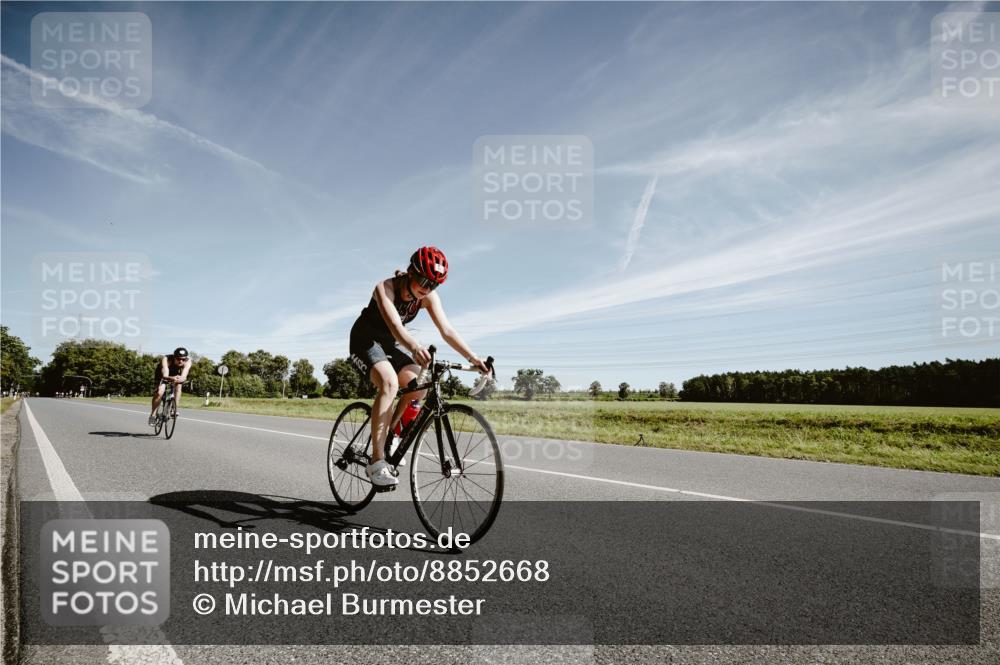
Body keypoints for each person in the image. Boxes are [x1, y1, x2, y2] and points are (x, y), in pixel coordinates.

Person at [349, 246, 488, 489]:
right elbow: (394, 325)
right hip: (365, 340)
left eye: (434, 284)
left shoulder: (427, 298)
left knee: (417, 387)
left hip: (390, 345)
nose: (427, 287)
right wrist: (414, 346)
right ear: (411, 272)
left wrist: (473, 358)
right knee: (390, 383)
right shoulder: (386, 288)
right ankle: (376, 460)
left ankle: (391, 434)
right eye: (424, 280)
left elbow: (447, 330)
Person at [149, 347, 191, 425]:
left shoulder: (188, 362)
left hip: (175, 375)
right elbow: (165, 374)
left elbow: (184, 374)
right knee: (159, 392)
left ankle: (174, 409)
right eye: (178, 359)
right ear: (174, 357)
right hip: (162, 375)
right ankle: (153, 415)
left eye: (183, 359)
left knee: (178, 386)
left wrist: (181, 379)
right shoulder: (167, 359)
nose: (181, 361)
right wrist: (171, 378)